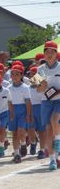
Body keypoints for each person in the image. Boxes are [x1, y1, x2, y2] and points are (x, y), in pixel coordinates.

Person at [37, 41, 60, 170]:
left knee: (55, 119)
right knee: (48, 130)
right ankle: (52, 160)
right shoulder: (40, 69)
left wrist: (57, 91)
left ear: (56, 53)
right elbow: (37, 90)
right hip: (46, 101)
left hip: (59, 100)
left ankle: (58, 141)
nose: (49, 54)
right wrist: (42, 86)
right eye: (46, 51)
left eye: (52, 51)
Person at [8, 65, 32, 163]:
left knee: (21, 131)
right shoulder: (8, 88)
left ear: (22, 75)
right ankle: (17, 154)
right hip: (12, 110)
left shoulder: (25, 87)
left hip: (22, 110)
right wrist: (11, 112)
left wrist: (28, 114)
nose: (14, 76)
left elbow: (28, 102)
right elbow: (9, 102)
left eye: (17, 74)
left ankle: (23, 144)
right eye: (12, 74)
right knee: (14, 134)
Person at [28, 66, 46, 159]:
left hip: (40, 108)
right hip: (31, 108)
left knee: (41, 131)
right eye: (31, 74)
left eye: (34, 74)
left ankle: (42, 150)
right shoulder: (28, 87)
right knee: (30, 129)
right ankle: (33, 142)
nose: (32, 76)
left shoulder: (42, 88)